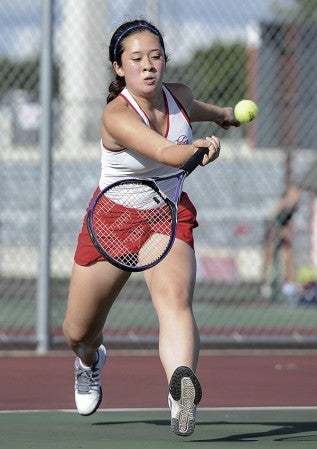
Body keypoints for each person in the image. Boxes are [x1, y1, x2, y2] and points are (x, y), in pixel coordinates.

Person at [63, 18, 239, 437]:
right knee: (77, 332)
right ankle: (89, 361)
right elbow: (163, 150)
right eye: (136, 59)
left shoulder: (178, 95)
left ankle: (181, 390)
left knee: (176, 302)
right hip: (113, 220)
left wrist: (226, 116)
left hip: (168, 214)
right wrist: (194, 149)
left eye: (156, 57)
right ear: (119, 67)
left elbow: (195, 110)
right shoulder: (117, 115)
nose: (148, 66)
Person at [261, 183, 301, 300]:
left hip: (284, 235)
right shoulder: (281, 205)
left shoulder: (294, 208)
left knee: (288, 257)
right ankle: (267, 285)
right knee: (269, 257)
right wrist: (280, 231)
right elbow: (270, 220)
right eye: (293, 194)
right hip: (273, 234)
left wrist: (289, 231)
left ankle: (289, 284)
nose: (296, 196)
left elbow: (293, 223)